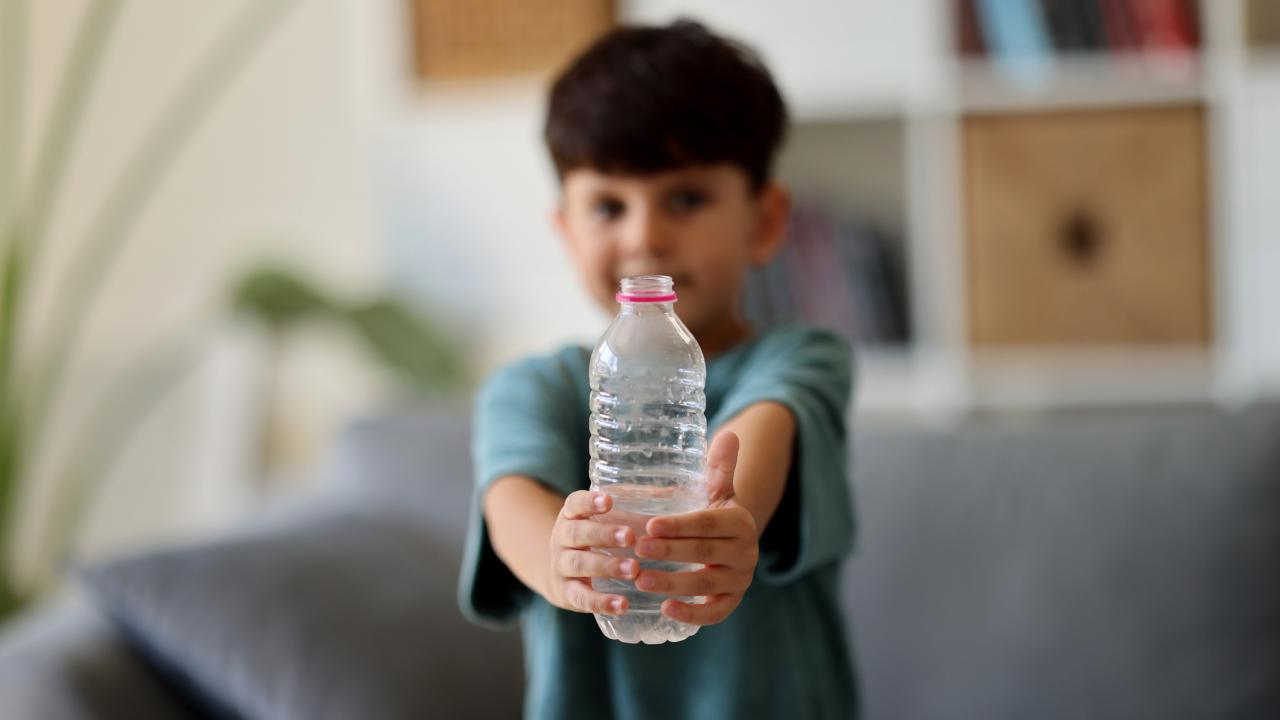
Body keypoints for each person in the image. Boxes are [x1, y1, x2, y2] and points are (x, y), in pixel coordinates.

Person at [459, 19, 859, 720]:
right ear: (566, 231)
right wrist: (567, 563)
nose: (645, 234)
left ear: (764, 221)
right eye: (609, 205)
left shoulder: (803, 357)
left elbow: (761, 431)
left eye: (686, 198)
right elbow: (511, 503)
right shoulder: (535, 389)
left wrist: (729, 522)